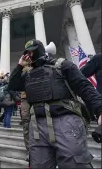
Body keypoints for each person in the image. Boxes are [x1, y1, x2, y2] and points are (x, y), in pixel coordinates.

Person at [8, 39, 102, 168]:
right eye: (27, 53)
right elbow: (12, 85)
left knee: (74, 164)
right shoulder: (28, 74)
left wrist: (100, 109)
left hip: (66, 121)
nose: (30, 55)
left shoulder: (62, 65)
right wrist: (20, 66)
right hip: (37, 126)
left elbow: (84, 86)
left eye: (32, 52)